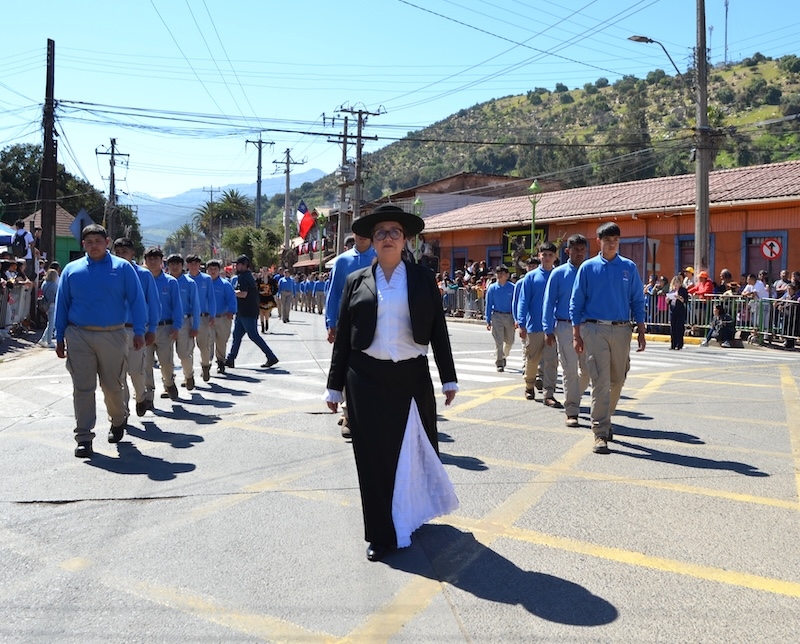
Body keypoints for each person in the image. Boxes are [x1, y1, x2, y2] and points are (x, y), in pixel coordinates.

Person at [324, 204, 459, 563]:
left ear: (405, 240)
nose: (386, 238)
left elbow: (438, 330)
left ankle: (411, 514)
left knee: (414, 448)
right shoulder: (356, 281)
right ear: (372, 240)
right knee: (372, 458)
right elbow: (344, 341)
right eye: (380, 233)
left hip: (410, 377)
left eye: (394, 233)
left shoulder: (421, 278)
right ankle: (380, 533)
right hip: (364, 378)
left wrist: (448, 377)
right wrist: (334, 387)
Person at [53, 224, 147, 458]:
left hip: (113, 334)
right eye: (89, 242)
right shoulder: (71, 270)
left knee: (113, 386)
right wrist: (59, 335)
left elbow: (137, 301)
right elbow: (62, 303)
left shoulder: (122, 268)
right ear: (83, 245)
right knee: (83, 388)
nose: (94, 246)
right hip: (78, 335)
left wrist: (139, 331)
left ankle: (118, 420)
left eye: (98, 241)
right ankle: (84, 436)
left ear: (107, 242)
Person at [570, 222, 646, 455]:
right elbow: (577, 301)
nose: (612, 243)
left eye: (615, 240)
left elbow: (637, 299)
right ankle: (600, 432)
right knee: (600, 381)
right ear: (599, 242)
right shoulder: (588, 268)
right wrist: (576, 333)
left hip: (622, 330)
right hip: (595, 330)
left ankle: (607, 417)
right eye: (607, 240)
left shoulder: (628, 268)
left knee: (618, 379)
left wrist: (641, 329)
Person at [324, 232, 378, 438]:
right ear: (354, 236)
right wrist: (331, 322)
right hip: (348, 323)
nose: (363, 237)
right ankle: (349, 416)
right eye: (359, 233)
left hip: (375, 322)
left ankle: (370, 413)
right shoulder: (342, 261)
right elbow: (334, 293)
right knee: (348, 368)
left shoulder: (379, 258)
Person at [543, 233, 590, 427]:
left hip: (589, 327)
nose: (579, 254)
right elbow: (548, 301)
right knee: (570, 370)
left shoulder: (591, 271)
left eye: (582, 250)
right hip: (564, 327)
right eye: (576, 250)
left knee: (588, 371)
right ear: (567, 251)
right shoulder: (558, 273)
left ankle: (574, 397)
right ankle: (572, 410)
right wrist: (547, 328)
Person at [113, 238, 161, 418]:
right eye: (117, 252)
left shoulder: (144, 275)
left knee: (136, 371)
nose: (120, 255)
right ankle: (121, 413)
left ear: (133, 253)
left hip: (136, 331)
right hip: (113, 331)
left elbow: (154, 304)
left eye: (124, 251)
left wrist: (152, 329)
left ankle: (141, 397)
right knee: (118, 375)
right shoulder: (110, 273)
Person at [515, 241, 561, 407]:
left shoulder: (558, 275)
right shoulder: (531, 277)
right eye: (544, 255)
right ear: (539, 256)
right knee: (532, 360)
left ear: (555, 257)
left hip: (554, 327)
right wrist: (521, 324)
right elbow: (523, 301)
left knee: (551, 362)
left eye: (550, 255)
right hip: (534, 326)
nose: (547, 258)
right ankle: (529, 385)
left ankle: (549, 393)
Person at [224, 255, 280, 370]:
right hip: (242, 311)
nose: (236, 266)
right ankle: (230, 359)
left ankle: (271, 356)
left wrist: (230, 292)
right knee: (237, 335)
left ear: (244, 265)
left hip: (248, 311)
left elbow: (243, 293)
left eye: (238, 264)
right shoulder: (243, 276)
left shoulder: (245, 277)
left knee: (253, 335)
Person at [143, 247, 183, 403]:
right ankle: (148, 395)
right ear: (145, 261)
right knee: (145, 364)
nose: (152, 262)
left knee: (166, 363)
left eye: (156, 259)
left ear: (161, 261)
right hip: (145, 328)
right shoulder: (140, 280)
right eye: (149, 259)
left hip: (165, 328)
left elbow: (177, 306)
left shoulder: (170, 282)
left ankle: (169, 382)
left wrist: (177, 326)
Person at [167, 255, 200, 390]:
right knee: (166, 357)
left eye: (177, 264)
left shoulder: (190, 283)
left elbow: (196, 306)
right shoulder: (164, 281)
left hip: (185, 322)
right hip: (166, 323)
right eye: (171, 264)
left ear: (182, 266)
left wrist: (195, 325)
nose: (174, 267)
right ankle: (167, 383)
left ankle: (189, 375)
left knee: (184, 353)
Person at [186, 255, 216, 382]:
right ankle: (188, 374)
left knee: (204, 346)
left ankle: (205, 366)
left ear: (200, 265)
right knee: (187, 348)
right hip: (187, 318)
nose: (193, 266)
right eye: (191, 263)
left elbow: (211, 298)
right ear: (187, 265)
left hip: (203, 317)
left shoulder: (206, 279)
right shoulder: (183, 279)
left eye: (196, 263)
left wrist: (212, 315)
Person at [206, 259, 237, 373]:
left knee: (221, 341)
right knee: (208, 342)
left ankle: (221, 362)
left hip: (223, 318)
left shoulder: (225, 284)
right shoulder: (204, 284)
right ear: (207, 270)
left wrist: (231, 311)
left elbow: (231, 299)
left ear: (219, 270)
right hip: (208, 318)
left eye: (215, 269)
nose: (212, 271)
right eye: (210, 269)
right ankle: (206, 364)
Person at [484, 264, 515, 372]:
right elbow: (488, 304)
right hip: (496, 316)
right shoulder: (492, 288)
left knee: (510, 341)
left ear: (507, 275)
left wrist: (517, 319)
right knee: (499, 341)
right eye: (498, 273)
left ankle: (503, 356)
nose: (500, 275)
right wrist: (487, 319)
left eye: (502, 273)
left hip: (510, 316)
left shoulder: (512, 287)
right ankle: (499, 363)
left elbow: (515, 304)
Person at [38, 268, 59, 348]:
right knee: (51, 324)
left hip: (45, 304)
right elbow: (56, 296)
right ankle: (49, 341)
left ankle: (43, 339)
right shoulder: (54, 285)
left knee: (49, 323)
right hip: (52, 304)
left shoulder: (44, 283)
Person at [667, 275, 688, 350]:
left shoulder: (683, 290)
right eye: (674, 283)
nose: (676, 285)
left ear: (680, 283)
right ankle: (673, 344)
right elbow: (668, 302)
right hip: (673, 310)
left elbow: (684, 301)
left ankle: (679, 344)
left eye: (677, 283)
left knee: (679, 328)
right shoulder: (672, 291)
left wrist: (678, 297)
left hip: (680, 311)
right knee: (673, 328)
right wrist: (668, 300)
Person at [256, 268, 278, 333]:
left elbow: (276, 288)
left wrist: (273, 293)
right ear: (261, 272)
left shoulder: (272, 280)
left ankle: (267, 321)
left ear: (268, 272)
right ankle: (262, 326)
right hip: (261, 298)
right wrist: (258, 293)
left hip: (269, 298)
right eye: (264, 271)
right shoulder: (259, 280)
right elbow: (255, 288)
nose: (265, 272)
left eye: (266, 271)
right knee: (261, 312)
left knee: (267, 312)